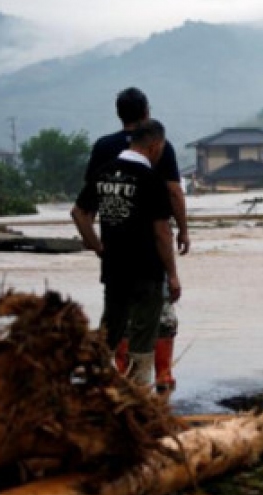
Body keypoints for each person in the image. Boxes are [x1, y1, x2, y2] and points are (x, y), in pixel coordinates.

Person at [86, 87, 188, 394]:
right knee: (160, 312)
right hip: (150, 251)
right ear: (146, 112)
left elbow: (88, 200)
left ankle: (114, 377)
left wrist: (95, 242)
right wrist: (183, 229)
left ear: (120, 113)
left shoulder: (103, 147)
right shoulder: (158, 146)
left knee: (116, 314)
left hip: (114, 248)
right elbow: (173, 191)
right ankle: (161, 375)